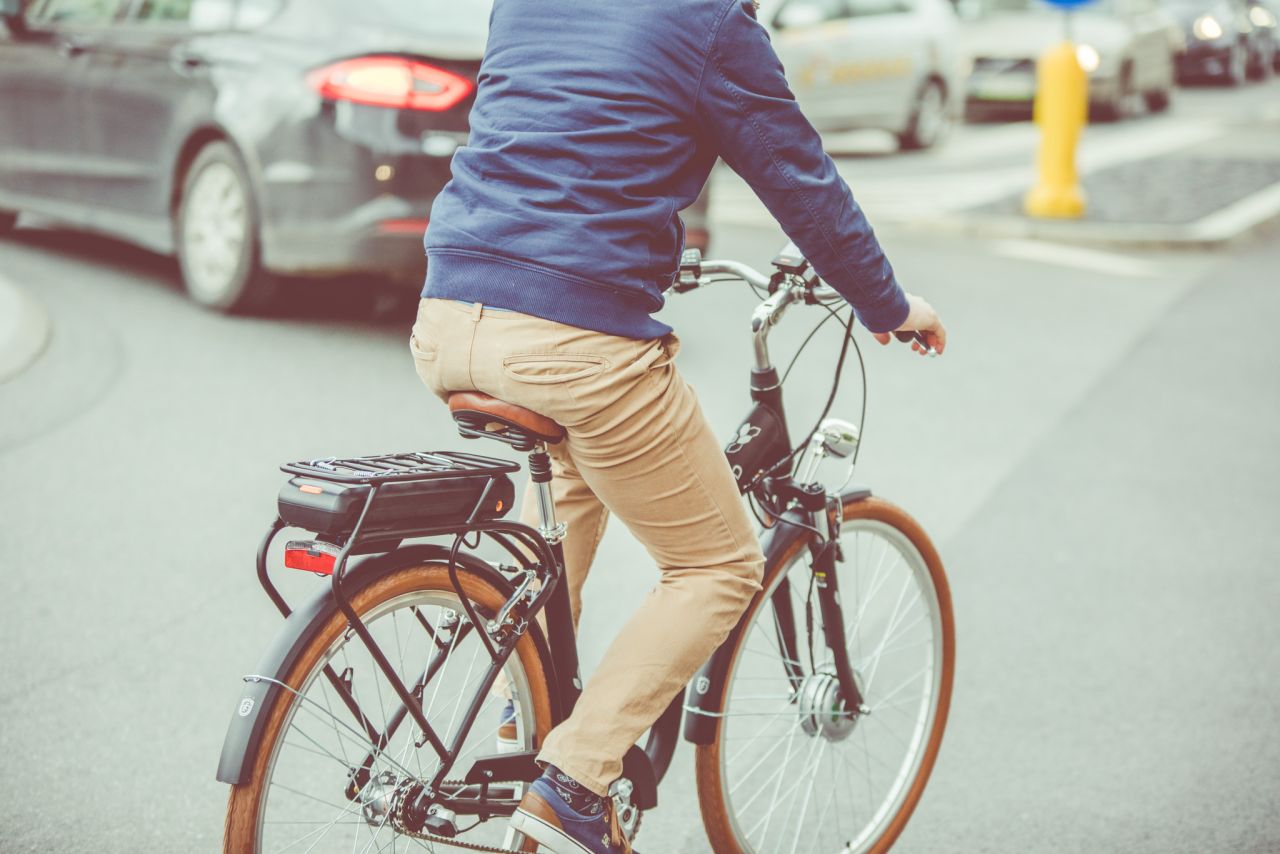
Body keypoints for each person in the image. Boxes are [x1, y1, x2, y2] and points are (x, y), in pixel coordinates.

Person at [408, 1, 947, 851]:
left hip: (446, 317)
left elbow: (557, 129)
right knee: (719, 563)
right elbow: (800, 181)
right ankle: (574, 780)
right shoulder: (709, 21)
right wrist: (888, 304)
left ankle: (527, 718)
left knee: (576, 488)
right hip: (571, 341)